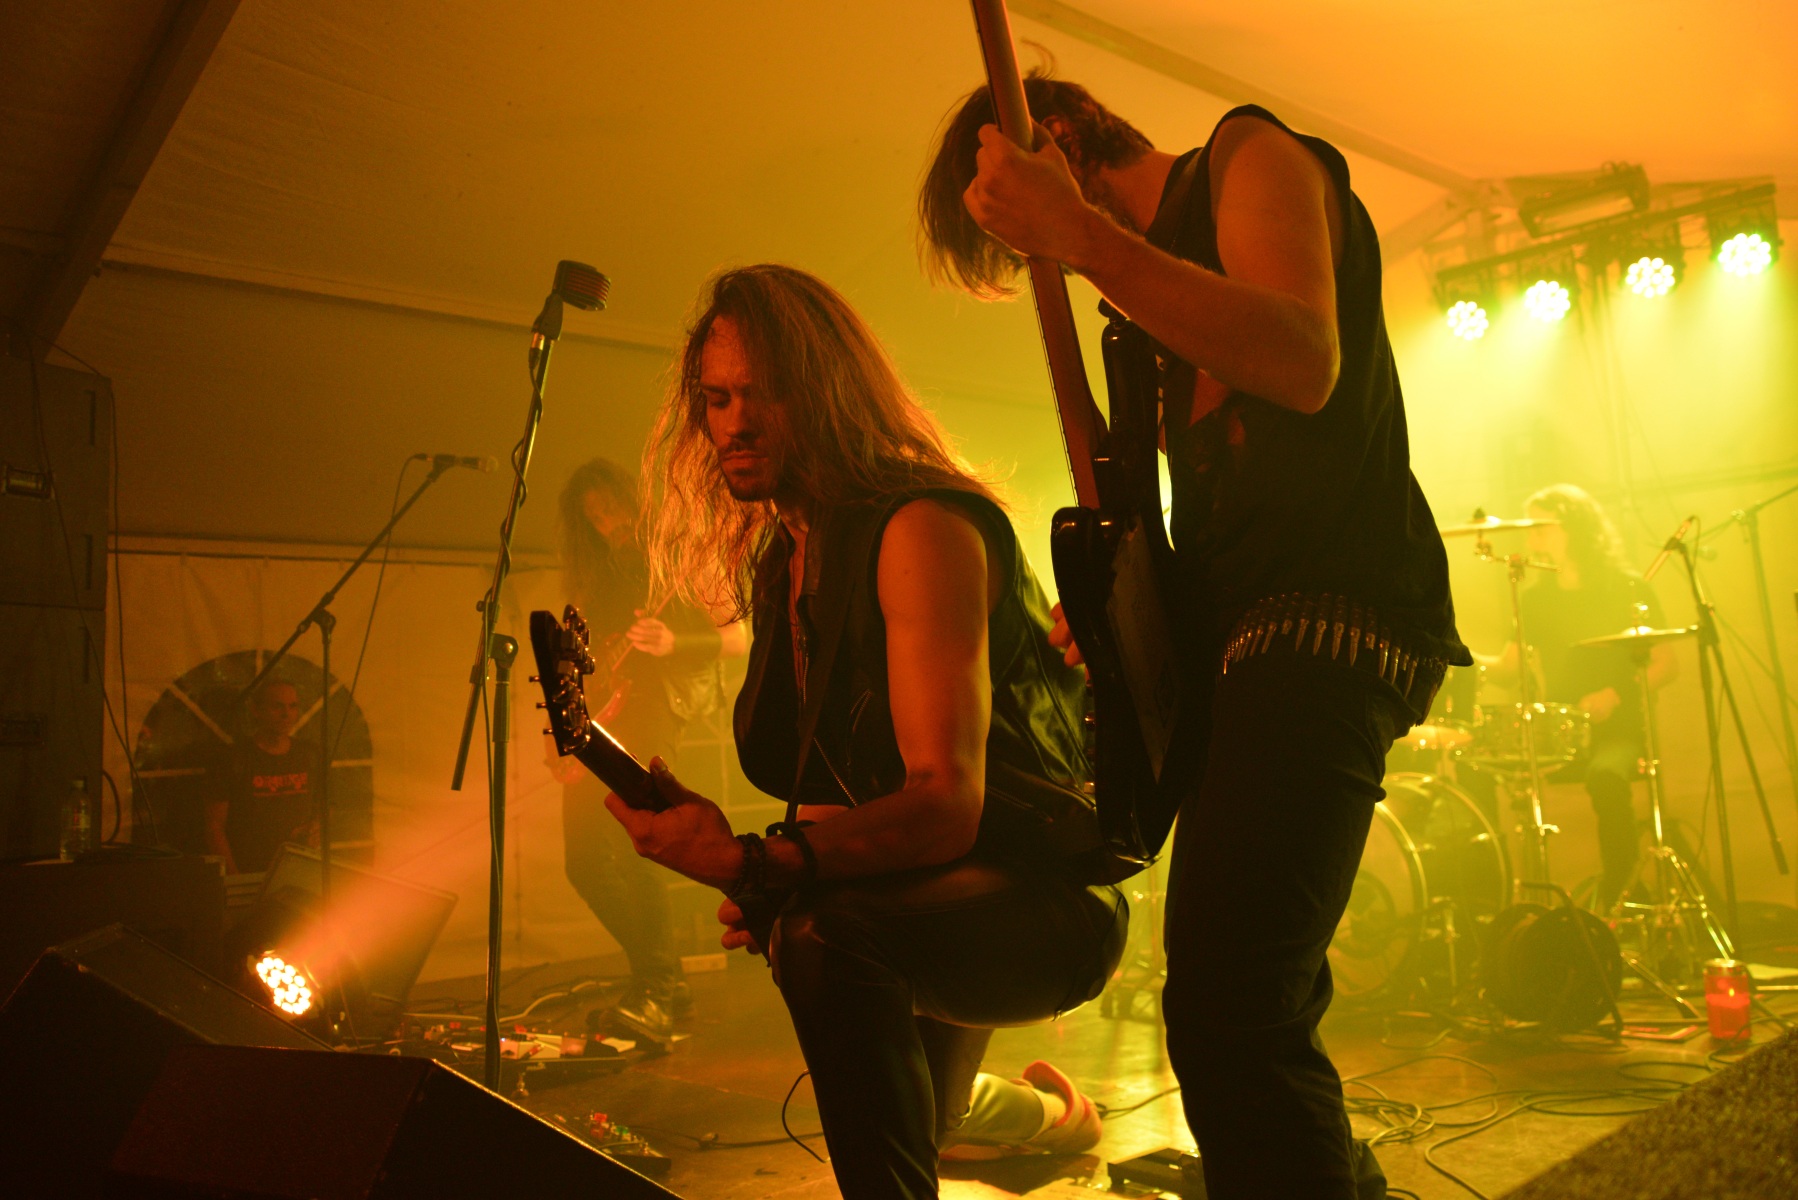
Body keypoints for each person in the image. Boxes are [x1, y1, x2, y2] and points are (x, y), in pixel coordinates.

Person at [920, 75, 1470, 1199]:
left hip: (1329, 622)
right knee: (1242, 1001)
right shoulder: (1147, 302)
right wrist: (1128, 614)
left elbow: (1302, 361)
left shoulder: (1246, 155)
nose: (1036, 259)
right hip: (1246, 642)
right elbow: (1217, 524)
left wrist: (1077, 236)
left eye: (1016, 227)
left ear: (1055, 140)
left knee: (1231, 1006)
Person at [605, 265, 1128, 1200]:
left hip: (1046, 901)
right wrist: (756, 869)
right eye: (717, 400)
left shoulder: (919, 528)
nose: (735, 424)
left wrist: (761, 864)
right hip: (927, 892)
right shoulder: (787, 559)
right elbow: (829, 803)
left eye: (764, 395)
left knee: (823, 933)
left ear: (829, 391)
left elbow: (945, 807)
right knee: (905, 1082)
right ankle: (1049, 1119)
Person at [548, 458, 747, 1042]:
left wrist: (673, 641)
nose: (608, 522)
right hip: (599, 720)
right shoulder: (593, 576)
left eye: (613, 507)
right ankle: (663, 978)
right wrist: (558, 734)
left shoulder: (679, 558)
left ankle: (657, 986)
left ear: (635, 500)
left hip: (655, 709)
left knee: (635, 846)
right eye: (594, 516)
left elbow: (739, 637)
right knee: (583, 862)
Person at [1478, 484, 1677, 910]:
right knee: (1482, 769)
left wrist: (1616, 695)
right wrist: (1454, 654)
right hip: (1560, 735)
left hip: (1619, 730)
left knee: (1606, 777)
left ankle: (1621, 895)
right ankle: (1515, 906)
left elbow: (1665, 663)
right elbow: (1510, 668)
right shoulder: (1536, 600)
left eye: (1542, 527)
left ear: (1577, 529)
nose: (1532, 537)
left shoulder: (1628, 588)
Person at [206, 679, 315, 874]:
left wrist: (315, 828)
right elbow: (214, 826)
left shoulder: (309, 755)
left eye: (293, 706)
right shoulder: (233, 758)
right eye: (277, 706)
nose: (286, 714)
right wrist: (234, 878)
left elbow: (326, 806)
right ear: (256, 710)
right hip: (249, 870)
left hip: (299, 870)